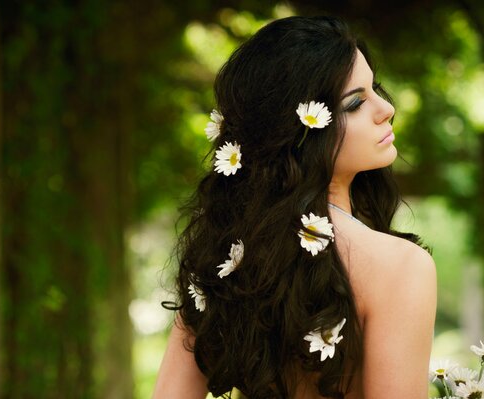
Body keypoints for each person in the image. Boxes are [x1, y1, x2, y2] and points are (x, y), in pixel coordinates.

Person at [153, 15, 437, 399]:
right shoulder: (400, 267)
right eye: (354, 103)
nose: (385, 108)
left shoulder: (219, 257)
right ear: (299, 132)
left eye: (375, 89)